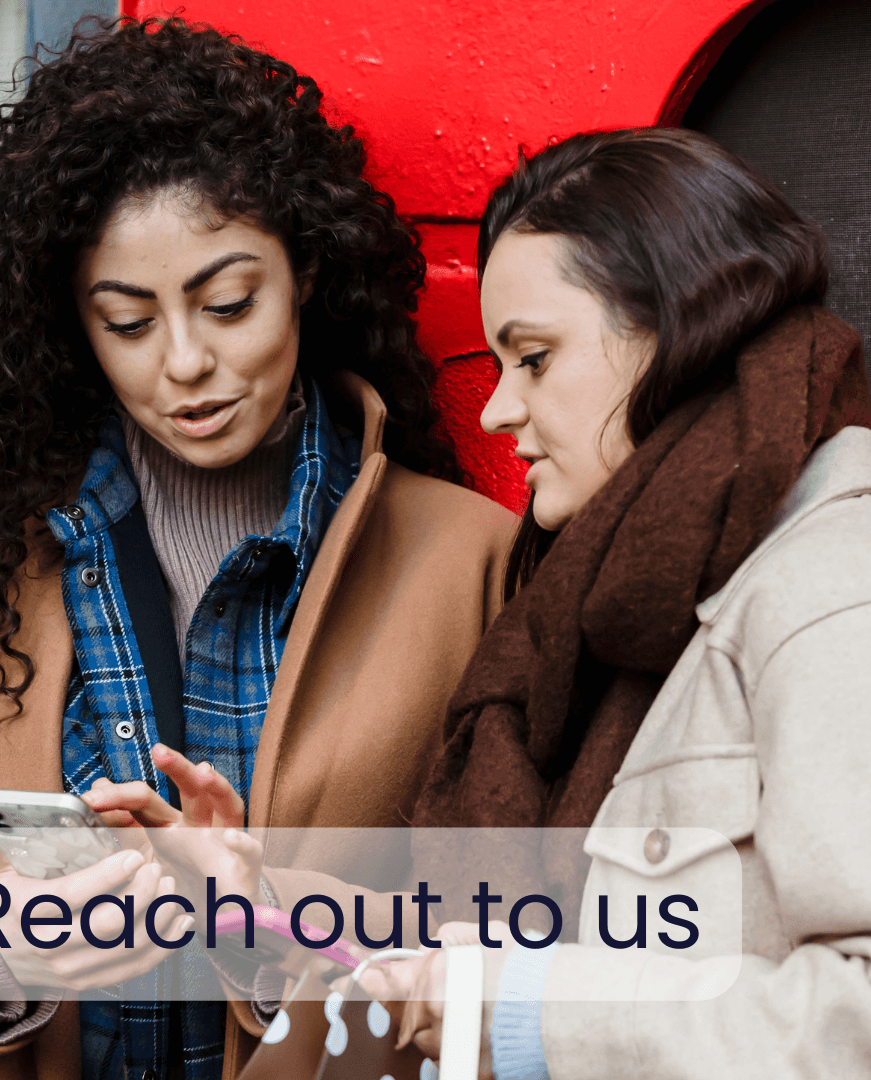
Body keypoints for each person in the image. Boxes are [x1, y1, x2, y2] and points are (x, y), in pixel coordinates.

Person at [0, 18, 516, 1080]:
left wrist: (263, 917)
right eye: (128, 322)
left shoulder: (470, 562)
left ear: (305, 271)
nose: (186, 363)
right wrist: (0, 947)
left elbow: (509, 952)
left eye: (228, 304)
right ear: (71, 322)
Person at [366, 128, 871, 1078]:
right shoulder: (596, 601)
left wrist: (532, 1017)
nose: (495, 410)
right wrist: (250, 897)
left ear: (677, 332)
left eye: (536, 357)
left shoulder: (832, 585)